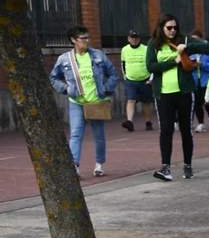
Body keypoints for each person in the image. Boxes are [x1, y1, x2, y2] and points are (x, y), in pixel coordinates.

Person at [50, 25, 118, 177]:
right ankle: (74, 166)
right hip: (76, 102)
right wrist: (66, 89)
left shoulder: (98, 55)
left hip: (96, 101)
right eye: (83, 38)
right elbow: (53, 78)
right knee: (75, 134)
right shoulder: (65, 59)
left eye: (88, 37)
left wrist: (107, 89)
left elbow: (113, 74)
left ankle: (99, 164)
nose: (87, 41)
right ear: (73, 40)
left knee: (99, 135)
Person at [147, 14, 204, 181]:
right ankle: (165, 168)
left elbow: (203, 50)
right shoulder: (154, 44)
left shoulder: (183, 42)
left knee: (186, 129)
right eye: (169, 28)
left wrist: (189, 54)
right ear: (161, 28)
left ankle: (188, 165)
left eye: (175, 28)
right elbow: (151, 67)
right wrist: (174, 61)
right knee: (166, 130)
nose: (172, 31)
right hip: (163, 94)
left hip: (184, 93)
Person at [118, 29, 152, 133]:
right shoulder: (124, 50)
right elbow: (123, 64)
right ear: (128, 39)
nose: (134, 40)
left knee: (146, 102)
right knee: (131, 100)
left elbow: (151, 63)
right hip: (131, 80)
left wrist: (151, 78)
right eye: (132, 38)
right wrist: (125, 77)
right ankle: (130, 122)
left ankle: (148, 122)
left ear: (139, 39)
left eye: (136, 38)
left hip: (145, 79)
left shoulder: (146, 49)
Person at [188, 28, 209, 132]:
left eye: (196, 40)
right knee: (196, 103)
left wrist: (202, 64)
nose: (194, 42)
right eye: (192, 40)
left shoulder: (208, 48)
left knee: (207, 101)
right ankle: (201, 123)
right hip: (194, 80)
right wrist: (191, 64)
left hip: (207, 80)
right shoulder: (189, 49)